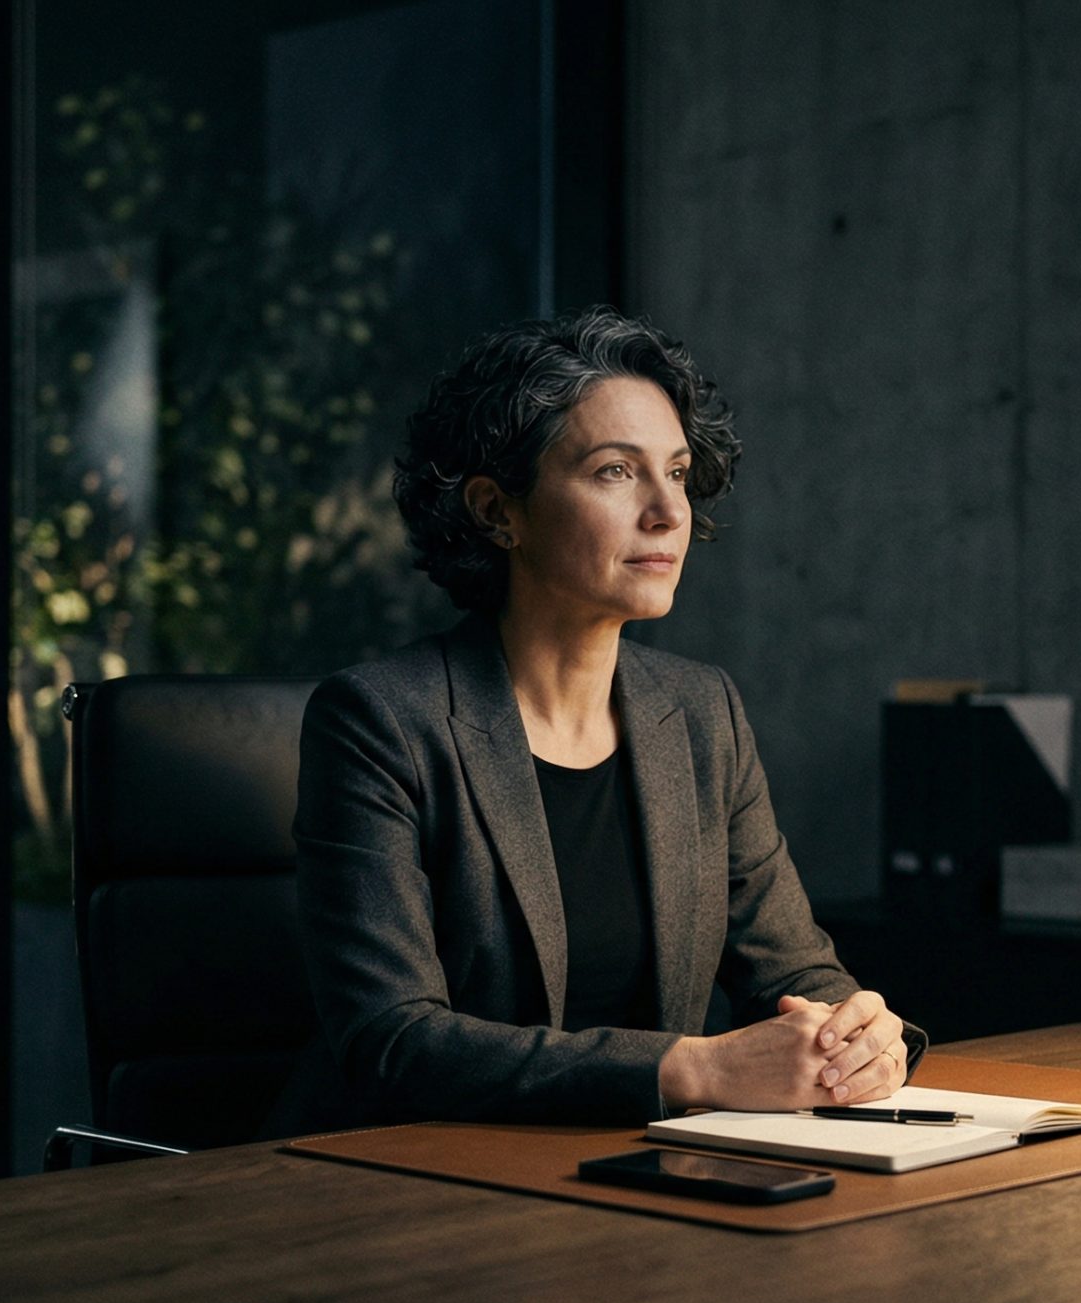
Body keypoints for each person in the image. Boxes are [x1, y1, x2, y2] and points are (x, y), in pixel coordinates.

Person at [274, 307, 922, 1134]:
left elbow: (797, 974)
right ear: (496, 510)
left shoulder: (701, 713)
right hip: (411, 1190)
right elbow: (392, 1039)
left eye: (679, 472)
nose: (667, 512)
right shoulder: (380, 722)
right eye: (617, 471)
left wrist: (864, 1035)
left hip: (637, 1177)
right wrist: (694, 1066)